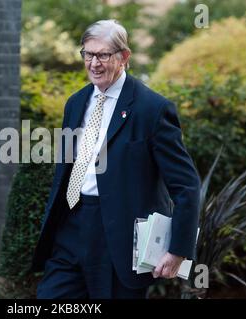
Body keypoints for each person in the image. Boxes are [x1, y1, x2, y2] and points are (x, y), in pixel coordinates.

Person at [31, 20, 201, 299]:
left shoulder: (153, 110)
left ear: (124, 57)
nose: (94, 63)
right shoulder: (75, 103)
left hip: (119, 241)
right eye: (88, 54)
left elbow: (186, 185)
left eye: (103, 55)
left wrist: (178, 249)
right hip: (71, 228)